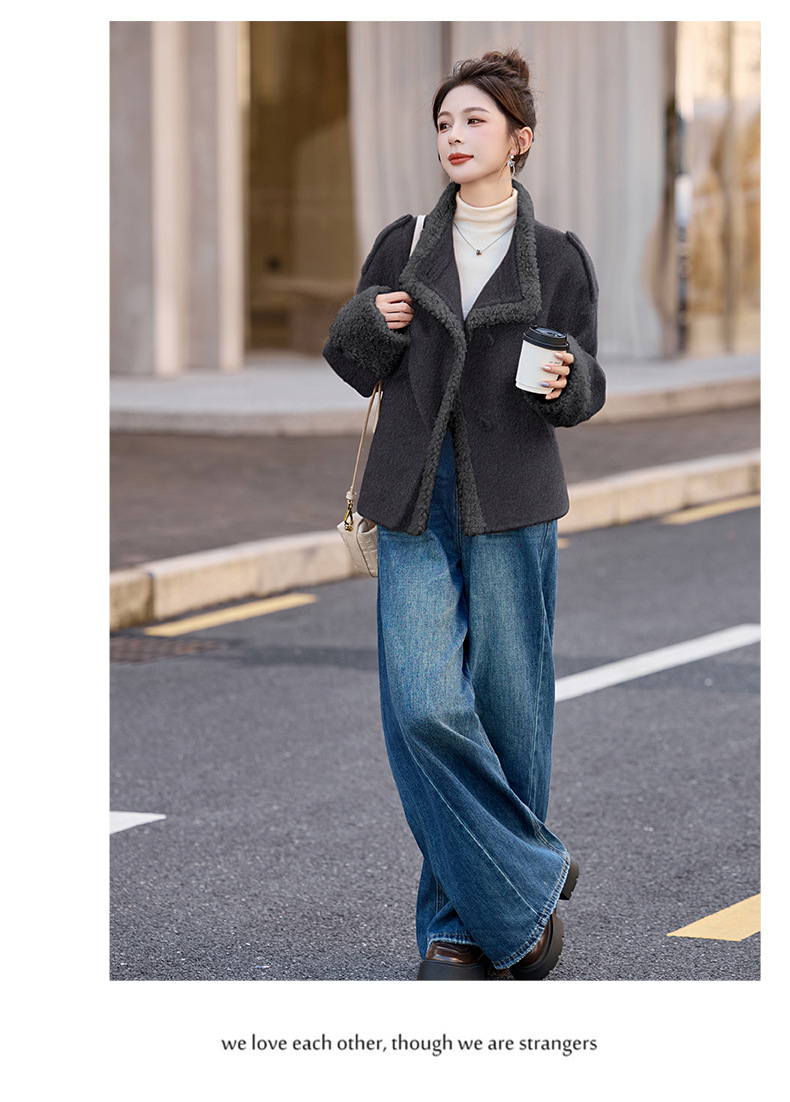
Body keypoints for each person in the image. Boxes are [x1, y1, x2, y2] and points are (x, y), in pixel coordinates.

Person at [323, 49, 605, 980]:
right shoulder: (405, 241)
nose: (454, 134)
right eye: (444, 122)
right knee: (422, 705)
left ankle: (459, 929)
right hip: (412, 495)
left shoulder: (558, 256)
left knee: (509, 708)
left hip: (513, 498)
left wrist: (567, 379)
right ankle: (532, 873)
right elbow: (350, 359)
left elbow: (587, 383)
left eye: (474, 120)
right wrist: (374, 322)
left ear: (518, 139)